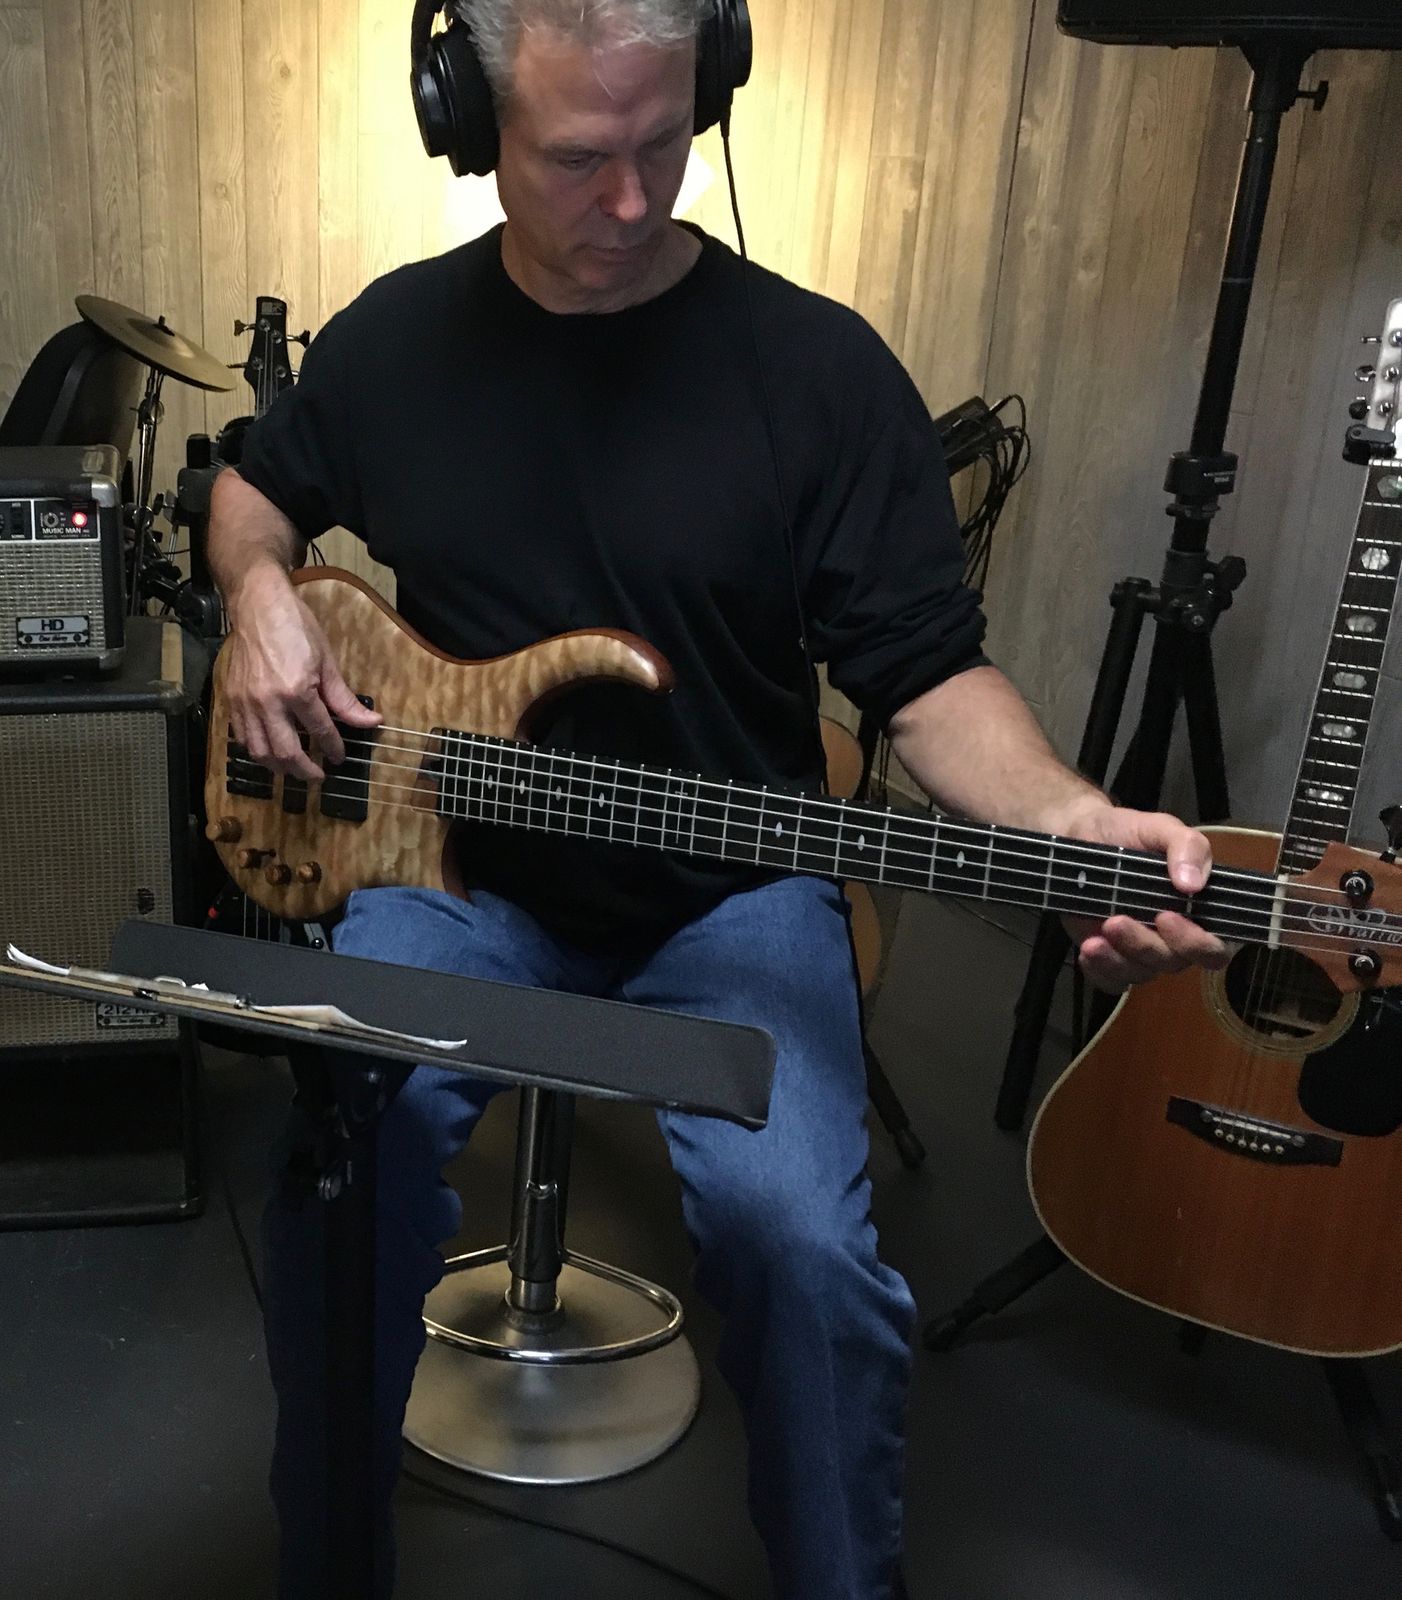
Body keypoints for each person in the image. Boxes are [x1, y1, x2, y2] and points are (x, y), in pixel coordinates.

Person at [207, 3, 1228, 1595]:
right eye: (577, 158)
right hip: (456, 877)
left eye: (665, 142)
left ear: (713, 87)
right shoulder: (397, 343)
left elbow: (927, 677)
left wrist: (1067, 822)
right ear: (470, 122)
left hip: (734, 892)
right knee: (341, 1180)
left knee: (798, 1242)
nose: (631, 200)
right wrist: (259, 595)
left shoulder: (816, 372)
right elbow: (253, 491)